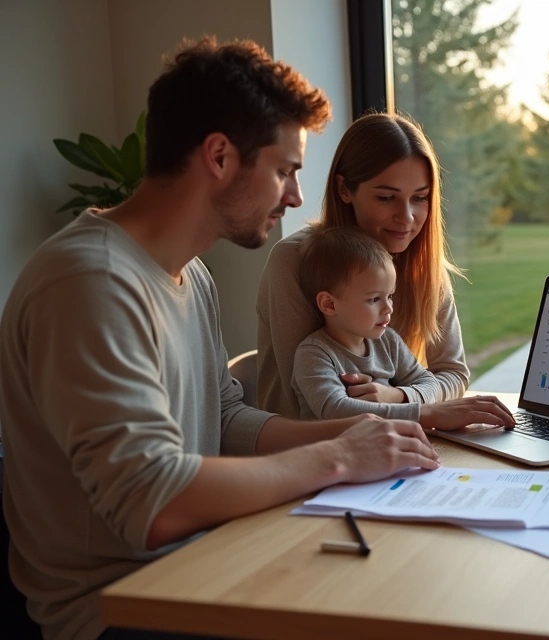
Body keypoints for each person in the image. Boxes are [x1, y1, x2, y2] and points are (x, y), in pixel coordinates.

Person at [0, 38, 443, 640]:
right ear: (219, 157)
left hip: (200, 562)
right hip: (118, 608)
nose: (292, 197)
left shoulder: (192, 273)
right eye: (284, 170)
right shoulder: (92, 282)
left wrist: (368, 432)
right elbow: (153, 503)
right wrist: (338, 457)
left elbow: (227, 420)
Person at [256, 113, 512, 429]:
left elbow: (453, 373)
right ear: (344, 189)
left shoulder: (424, 267)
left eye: (419, 198)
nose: (406, 217)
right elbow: (307, 402)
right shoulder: (294, 261)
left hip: (389, 436)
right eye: (387, 197)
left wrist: (401, 397)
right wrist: (423, 409)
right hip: (305, 448)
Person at [292, 226, 441, 420]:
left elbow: (430, 383)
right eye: (374, 299)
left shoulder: (388, 340)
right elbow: (336, 410)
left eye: (390, 296)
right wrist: (424, 414)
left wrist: (396, 396)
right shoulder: (313, 355)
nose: (388, 308)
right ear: (329, 304)